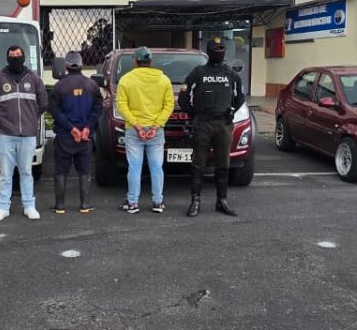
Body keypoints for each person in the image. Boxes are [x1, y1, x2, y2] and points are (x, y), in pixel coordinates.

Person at [180, 39, 245, 217]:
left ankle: (221, 201)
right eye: (215, 49)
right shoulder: (198, 72)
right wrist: (194, 114)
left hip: (223, 124)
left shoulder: (230, 74)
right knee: (198, 163)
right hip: (203, 124)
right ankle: (195, 201)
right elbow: (183, 97)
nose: (219, 52)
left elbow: (240, 96)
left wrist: (232, 111)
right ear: (209, 51)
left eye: (221, 49)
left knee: (223, 163)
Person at [0, 45, 48, 221]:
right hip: (5, 134)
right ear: (7, 57)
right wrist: (3, 119)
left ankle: (29, 205)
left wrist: (30, 119)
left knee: (26, 172)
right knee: (5, 173)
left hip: (27, 135)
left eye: (18, 55)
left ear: (24, 57)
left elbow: (43, 104)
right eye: (12, 55)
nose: (15, 58)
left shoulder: (34, 79)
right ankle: (3, 207)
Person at [115, 46, 173, 214]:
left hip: (134, 130)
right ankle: (157, 202)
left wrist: (137, 125)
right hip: (156, 131)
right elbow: (168, 105)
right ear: (151, 62)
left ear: (135, 62)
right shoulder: (164, 80)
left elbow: (122, 105)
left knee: (134, 167)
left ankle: (133, 203)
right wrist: (155, 126)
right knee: (156, 167)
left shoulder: (126, 80)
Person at [50, 51, 103, 214]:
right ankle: (85, 205)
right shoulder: (92, 85)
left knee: (61, 170)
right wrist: (86, 128)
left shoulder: (59, 86)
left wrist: (71, 128)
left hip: (65, 135)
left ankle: (60, 206)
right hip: (85, 136)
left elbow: (55, 110)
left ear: (66, 66)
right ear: (81, 65)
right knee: (84, 170)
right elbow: (97, 108)